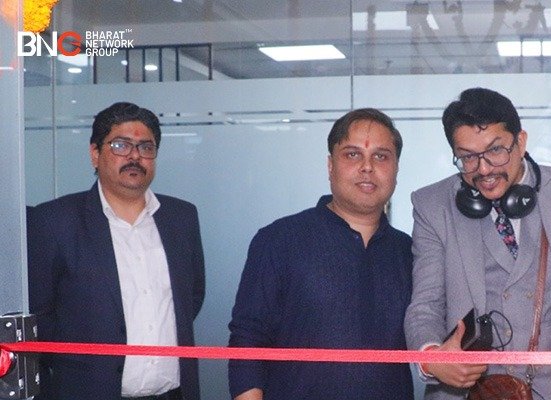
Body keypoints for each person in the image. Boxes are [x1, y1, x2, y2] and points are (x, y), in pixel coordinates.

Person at [404, 87, 551, 400]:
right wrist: (432, 357)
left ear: (521, 142)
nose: (484, 169)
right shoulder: (432, 205)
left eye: (496, 150)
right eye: (468, 157)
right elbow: (425, 304)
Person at [227, 108, 414, 400]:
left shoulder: (410, 252)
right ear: (330, 165)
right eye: (352, 154)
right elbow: (248, 338)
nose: (367, 167)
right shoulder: (280, 240)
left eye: (381, 156)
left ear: (396, 169)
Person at [27, 102, 206, 400]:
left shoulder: (181, 217)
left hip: (173, 393)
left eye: (146, 147)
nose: (135, 156)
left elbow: (192, 297)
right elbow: (39, 316)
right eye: (121, 145)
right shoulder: (54, 221)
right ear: (95, 154)